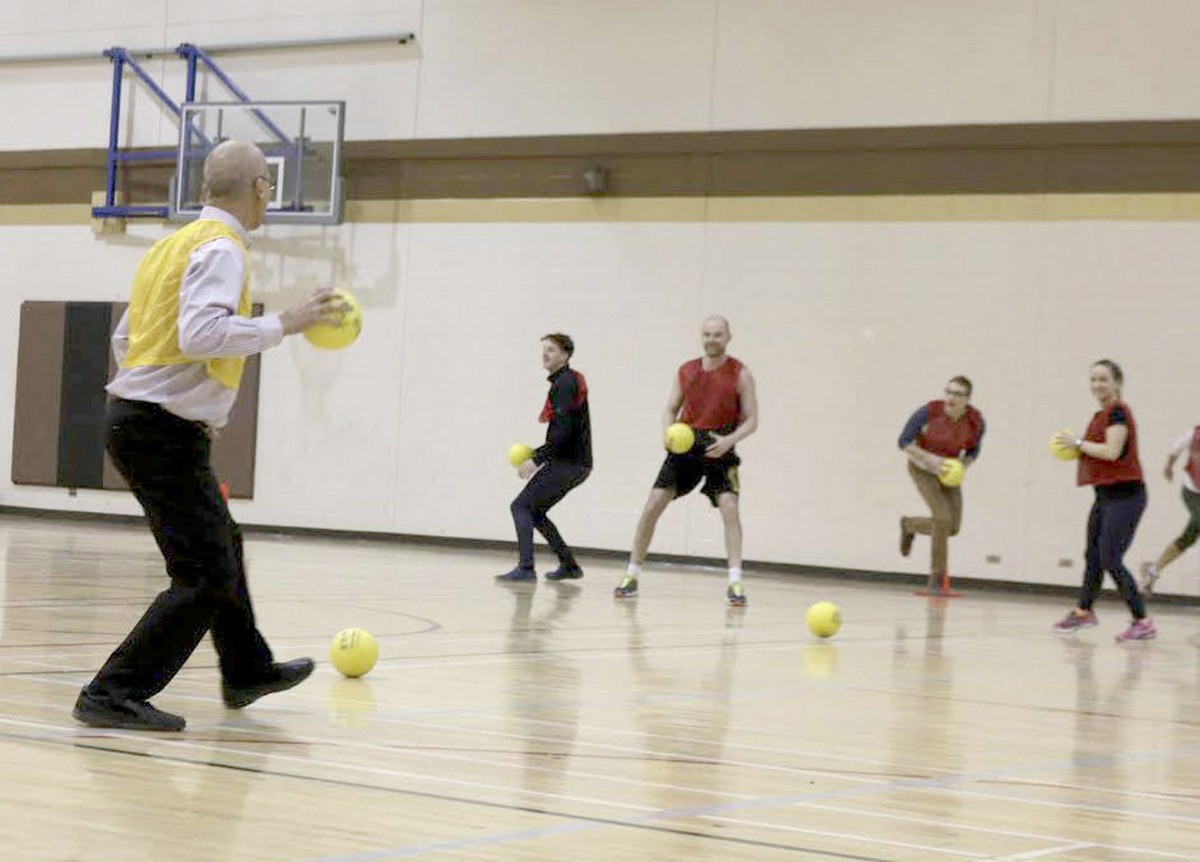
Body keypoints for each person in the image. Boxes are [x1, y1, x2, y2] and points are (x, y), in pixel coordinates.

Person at [72, 140, 347, 731]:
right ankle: (112, 691)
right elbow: (201, 336)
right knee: (200, 575)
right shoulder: (222, 248)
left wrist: (178, 400)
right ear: (258, 189)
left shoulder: (170, 247)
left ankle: (247, 669)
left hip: (143, 419)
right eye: (269, 187)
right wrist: (285, 323)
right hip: (157, 427)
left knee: (225, 544)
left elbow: (126, 339)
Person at [614, 316, 758, 606]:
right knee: (654, 503)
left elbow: (753, 420)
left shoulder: (740, 373)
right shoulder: (686, 370)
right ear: (701, 337)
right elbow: (670, 408)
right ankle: (631, 574)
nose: (711, 339)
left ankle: (735, 582)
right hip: (686, 444)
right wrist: (667, 432)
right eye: (707, 334)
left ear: (728, 337)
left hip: (721, 444)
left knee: (730, 508)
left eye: (717, 334)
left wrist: (729, 441)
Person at [1052, 360, 1156, 641]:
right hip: (1105, 495)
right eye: (1094, 379)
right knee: (1093, 556)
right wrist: (1079, 449)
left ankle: (1142, 620)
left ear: (1117, 382)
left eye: (1104, 379)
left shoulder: (1118, 412)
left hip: (1127, 495)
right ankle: (1084, 612)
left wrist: (1077, 444)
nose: (1097, 385)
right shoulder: (1101, 415)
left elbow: (1111, 451)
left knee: (1110, 557)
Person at [496, 334, 592, 582]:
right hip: (575, 462)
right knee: (535, 511)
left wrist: (536, 459)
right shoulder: (565, 381)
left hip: (569, 463)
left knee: (520, 506)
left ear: (565, 355)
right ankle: (569, 565)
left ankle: (526, 569)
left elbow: (563, 432)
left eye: (551, 350)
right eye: (544, 349)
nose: (545, 354)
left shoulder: (565, 384)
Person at [897, 376, 986, 594]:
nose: (950, 397)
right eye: (948, 391)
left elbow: (973, 450)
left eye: (957, 394)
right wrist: (933, 461)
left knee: (952, 527)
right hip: (923, 469)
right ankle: (937, 577)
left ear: (968, 399)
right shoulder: (927, 413)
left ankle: (909, 525)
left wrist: (962, 466)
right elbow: (903, 442)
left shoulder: (976, 421)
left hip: (949, 474)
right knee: (942, 518)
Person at [1140, 425, 1200, 594]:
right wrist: (1168, 467)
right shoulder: (1194, 434)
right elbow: (1175, 449)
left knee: (1189, 538)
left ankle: (1153, 569)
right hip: (1193, 492)